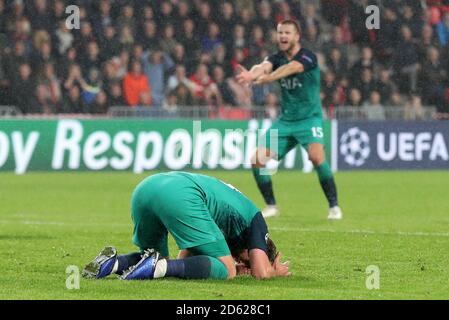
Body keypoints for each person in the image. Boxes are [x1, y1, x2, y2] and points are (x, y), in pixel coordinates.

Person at [82, 172, 290, 281]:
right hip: (182, 194)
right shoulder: (256, 221)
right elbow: (262, 273)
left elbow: (185, 261)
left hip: (147, 188)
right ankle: (157, 267)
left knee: (154, 256)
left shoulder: (226, 221)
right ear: (258, 250)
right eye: (247, 261)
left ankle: (112, 263)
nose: (241, 262)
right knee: (227, 271)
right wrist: (273, 271)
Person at [236, 20, 343, 220]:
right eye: (280, 33)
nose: (283, 36)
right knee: (257, 160)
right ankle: (271, 206)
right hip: (286, 122)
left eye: (287, 32)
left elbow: (291, 68)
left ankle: (334, 206)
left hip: (309, 119)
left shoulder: (308, 57)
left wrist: (269, 79)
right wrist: (252, 74)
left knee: (317, 157)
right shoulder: (276, 58)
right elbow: (263, 66)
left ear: (297, 36)